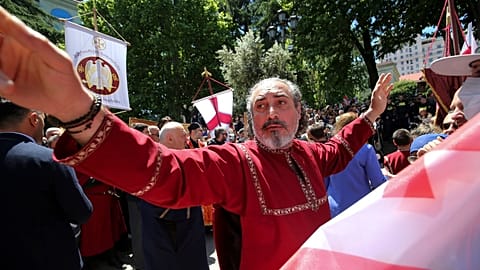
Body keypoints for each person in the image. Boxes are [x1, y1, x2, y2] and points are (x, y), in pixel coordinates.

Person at [0, 8, 393, 269]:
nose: (271, 114)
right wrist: (79, 111)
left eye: (281, 103)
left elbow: (340, 150)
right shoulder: (237, 162)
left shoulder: (309, 154)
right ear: (248, 118)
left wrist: (372, 114)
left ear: (300, 112)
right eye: (260, 106)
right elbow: (166, 172)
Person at [0, 100, 92, 270]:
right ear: (34, 119)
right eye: (43, 117)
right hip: (50, 259)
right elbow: (81, 212)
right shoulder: (49, 159)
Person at [139, 121, 208, 270]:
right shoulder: (156, 163)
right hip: (170, 237)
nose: (187, 140)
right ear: (169, 138)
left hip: (187, 233)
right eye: (183, 136)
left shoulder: (182, 159)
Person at [324, 112, 387, 218]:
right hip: (360, 208)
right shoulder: (366, 150)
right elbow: (378, 182)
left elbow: (324, 183)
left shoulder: (328, 150)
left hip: (335, 209)